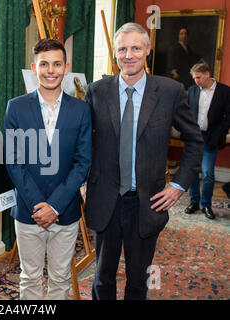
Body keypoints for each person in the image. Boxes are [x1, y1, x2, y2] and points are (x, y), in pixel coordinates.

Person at [83, 22, 203, 300]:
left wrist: (178, 186)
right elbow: (84, 142)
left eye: (136, 48)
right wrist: (82, 181)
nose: (129, 55)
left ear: (147, 50)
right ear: (115, 53)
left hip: (146, 202)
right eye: (122, 49)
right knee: (102, 277)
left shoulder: (171, 91)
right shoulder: (97, 91)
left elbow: (195, 141)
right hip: (106, 201)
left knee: (139, 279)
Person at [4, 39, 92, 300]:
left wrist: (54, 206)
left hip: (65, 211)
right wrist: (38, 204)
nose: (50, 70)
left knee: (61, 277)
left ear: (66, 67)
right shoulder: (16, 107)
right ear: (34, 68)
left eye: (56, 64)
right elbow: (13, 159)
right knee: (29, 277)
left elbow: (83, 161)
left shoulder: (82, 110)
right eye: (44, 64)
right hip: (28, 210)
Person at [184, 61, 230, 219]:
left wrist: (220, 133)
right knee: (192, 171)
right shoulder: (192, 90)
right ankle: (194, 201)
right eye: (194, 78)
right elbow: (187, 113)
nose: (196, 81)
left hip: (211, 137)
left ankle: (206, 205)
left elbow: (228, 116)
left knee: (208, 173)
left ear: (207, 74)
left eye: (198, 77)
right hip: (194, 138)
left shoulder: (224, 91)